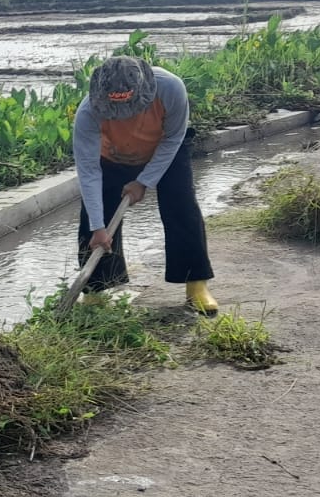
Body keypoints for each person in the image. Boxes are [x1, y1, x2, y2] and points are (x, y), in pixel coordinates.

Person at [73, 55, 218, 314]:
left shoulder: (171, 88)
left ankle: (196, 285)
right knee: (93, 221)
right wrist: (98, 227)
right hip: (112, 156)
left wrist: (144, 181)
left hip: (164, 149)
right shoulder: (87, 112)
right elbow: (88, 170)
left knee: (181, 207)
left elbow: (174, 138)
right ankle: (95, 291)